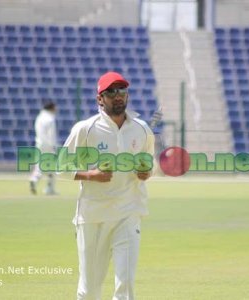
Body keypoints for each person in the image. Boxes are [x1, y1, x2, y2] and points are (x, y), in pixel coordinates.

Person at [58, 71, 155, 300]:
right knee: (90, 290)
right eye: (111, 92)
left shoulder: (142, 129)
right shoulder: (85, 129)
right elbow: (59, 167)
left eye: (122, 90)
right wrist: (91, 175)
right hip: (93, 216)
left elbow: (148, 165)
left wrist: (145, 172)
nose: (118, 96)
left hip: (129, 213)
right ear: (100, 98)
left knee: (126, 286)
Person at [29, 101, 58, 195]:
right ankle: (50, 189)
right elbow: (51, 135)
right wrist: (54, 146)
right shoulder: (50, 119)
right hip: (48, 145)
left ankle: (34, 179)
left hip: (39, 144)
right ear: (51, 108)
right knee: (53, 167)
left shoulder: (39, 117)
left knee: (39, 165)